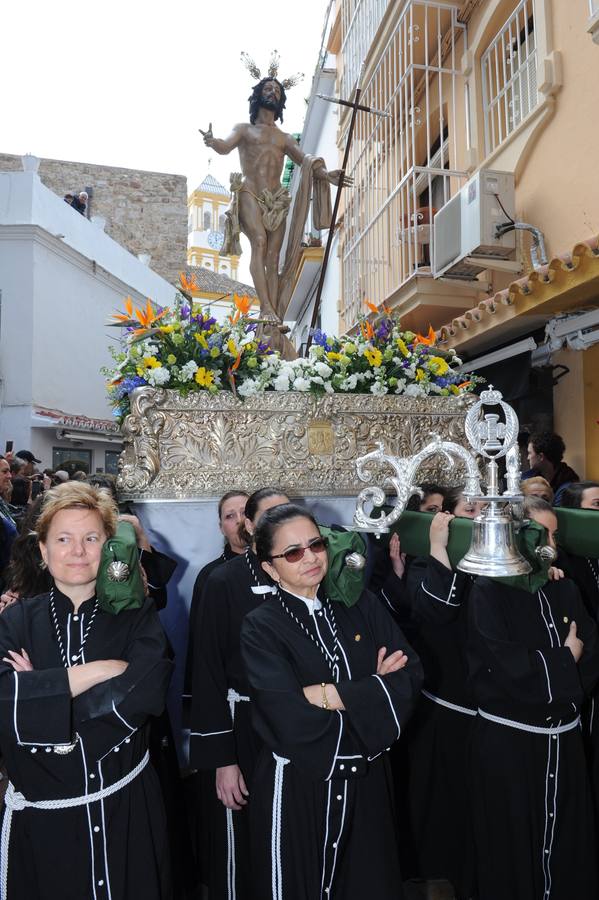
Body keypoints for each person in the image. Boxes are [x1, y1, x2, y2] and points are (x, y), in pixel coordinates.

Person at [0, 481, 174, 899]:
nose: (77, 551)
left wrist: (40, 694)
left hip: (124, 810)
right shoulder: (16, 620)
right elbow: (3, 702)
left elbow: (144, 692)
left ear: (108, 547)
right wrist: (98, 671)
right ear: (43, 551)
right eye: (63, 539)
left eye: (91, 538)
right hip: (45, 825)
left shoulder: (137, 615)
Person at [240, 503, 423, 899]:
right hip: (299, 788)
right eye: (292, 553)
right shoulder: (261, 626)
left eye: (316, 545)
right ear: (270, 568)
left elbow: (409, 677)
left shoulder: (359, 603)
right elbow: (286, 715)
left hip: (369, 785)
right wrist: (374, 687)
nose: (310, 558)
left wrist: (327, 695)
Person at [467, 496, 599, 899]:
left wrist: (567, 665)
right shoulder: (487, 591)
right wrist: (564, 659)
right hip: (511, 746)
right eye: (543, 536)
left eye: (555, 537)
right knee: (511, 850)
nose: (552, 547)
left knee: (567, 847)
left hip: (564, 740)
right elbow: (505, 666)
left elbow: (592, 650)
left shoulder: (565, 586)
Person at [189, 486, 289, 899]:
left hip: (294, 722)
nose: (279, 523)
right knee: (240, 835)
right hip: (242, 725)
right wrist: (222, 759)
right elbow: (207, 673)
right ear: (249, 524)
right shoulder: (222, 581)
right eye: (267, 515)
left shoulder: (304, 571)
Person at [201, 68, 348, 329]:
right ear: (258, 96)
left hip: (276, 200)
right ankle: (266, 308)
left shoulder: (284, 138)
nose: (273, 92)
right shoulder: (244, 130)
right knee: (258, 241)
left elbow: (305, 162)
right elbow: (225, 146)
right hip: (249, 193)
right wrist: (213, 142)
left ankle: (275, 314)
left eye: (277, 91)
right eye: (268, 89)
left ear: (280, 102)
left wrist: (326, 175)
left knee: (272, 256)